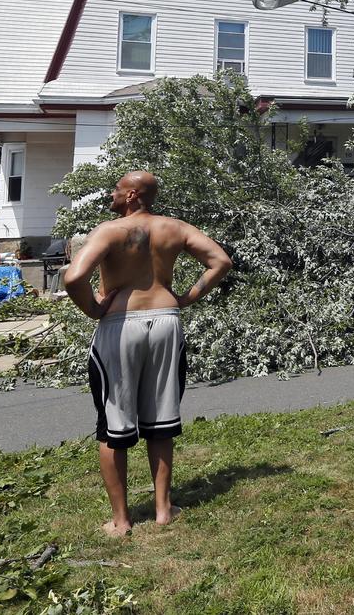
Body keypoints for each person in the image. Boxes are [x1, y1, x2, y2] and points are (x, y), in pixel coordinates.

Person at [63, 170, 232, 537]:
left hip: (121, 326)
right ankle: (162, 510)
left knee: (114, 422)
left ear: (132, 195)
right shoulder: (176, 227)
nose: (111, 193)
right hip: (166, 322)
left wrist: (93, 309)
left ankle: (122, 521)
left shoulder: (109, 231)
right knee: (161, 419)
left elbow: (73, 278)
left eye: (117, 188)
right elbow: (220, 261)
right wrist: (185, 298)